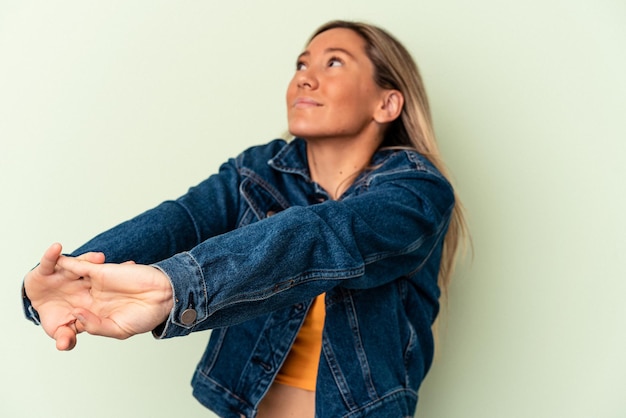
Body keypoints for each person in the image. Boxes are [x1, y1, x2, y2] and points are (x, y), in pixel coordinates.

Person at [22, 20, 468, 418]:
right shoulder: (259, 170)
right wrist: (69, 279)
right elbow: (181, 221)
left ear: (387, 104)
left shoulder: (418, 192)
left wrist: (175, 289)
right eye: (301, 63)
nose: (304, 78)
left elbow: (326, 234)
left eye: (334, 63)